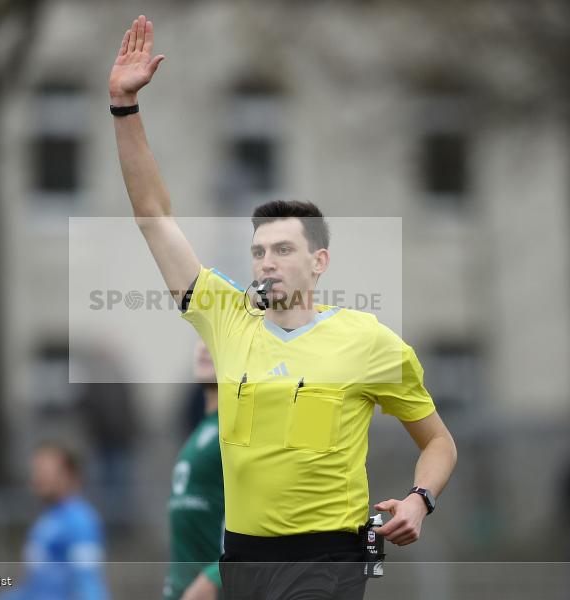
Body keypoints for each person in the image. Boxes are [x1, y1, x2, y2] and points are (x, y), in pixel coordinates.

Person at [109, 15, 458, 600]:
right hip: (242, 558)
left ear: (318, 263)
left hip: (330, 559)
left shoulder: (367, 340)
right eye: (258, 251)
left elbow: (440, 442)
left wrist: (420, 502)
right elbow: (153, 218)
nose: (266, 262)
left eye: (283, 249)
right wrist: (124, 109)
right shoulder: (227, 318)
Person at [0, 442, 110, 600]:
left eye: (45, 471)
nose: (37, 478)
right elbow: (35, 589)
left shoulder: (79, 522)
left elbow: (88, 582)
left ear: (69, 475)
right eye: (35, 470)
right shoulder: (49, 519)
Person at [163, 341, 225, 600]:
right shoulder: (202, 429)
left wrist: (214, 578)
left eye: (215, 339)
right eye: (201, 337)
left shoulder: (242, 431)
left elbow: (271, 521)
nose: (203, 347)